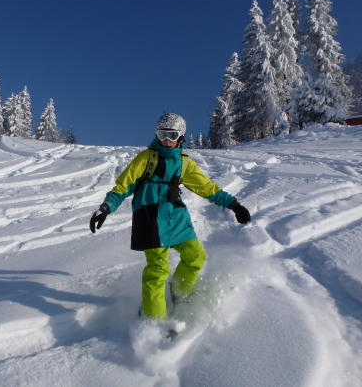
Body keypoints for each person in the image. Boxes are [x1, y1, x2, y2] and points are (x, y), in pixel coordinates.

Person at [89, 112, 251, 319]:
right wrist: (106, 207)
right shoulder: (146, 158)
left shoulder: (184, 163)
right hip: (150, 218)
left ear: (180, 137)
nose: (166, 139)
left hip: (176, 217)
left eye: (172, 135)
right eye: (162, 134)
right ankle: (153, 320)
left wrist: (233, 205)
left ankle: (180, 293)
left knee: (196, 257)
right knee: (157, 270)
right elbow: (123, 186)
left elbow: (207, 188)